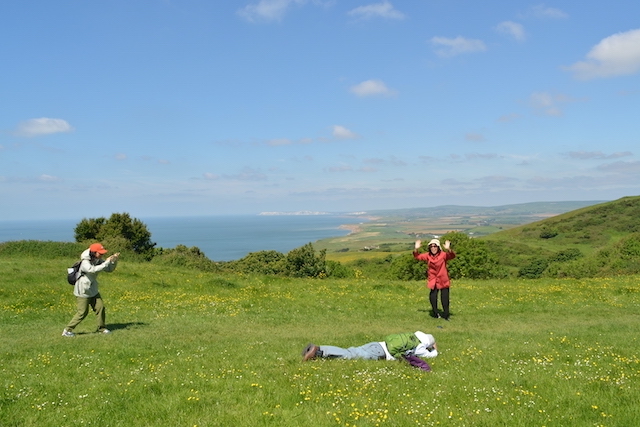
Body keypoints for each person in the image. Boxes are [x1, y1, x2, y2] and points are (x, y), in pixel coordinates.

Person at [62, 243, 119, 337]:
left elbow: (109, 269)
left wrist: (113, 261)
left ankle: (102, 328)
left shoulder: (98, 259)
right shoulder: (85, 262)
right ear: (93, 252)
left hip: (92, 289)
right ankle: (67, 330)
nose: (102, 255)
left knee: (100, 308)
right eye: (100, 253)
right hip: (83, 290)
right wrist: (106, 262)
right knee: (82, 312)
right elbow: (92, 270)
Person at [301, 331, 438, 370]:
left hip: (376, 345)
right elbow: (432, 356)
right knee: (350, 355)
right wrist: (434, 348)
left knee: (351, 351)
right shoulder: (420, 347)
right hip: (380, 353)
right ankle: (319, 351)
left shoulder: (413, 335)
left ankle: (318, 354)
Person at [413, 238, 456, 320]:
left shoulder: (443, 255)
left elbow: (452, 256)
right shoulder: (427, 255)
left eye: (435, 246)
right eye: (431, 246)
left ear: (438, 247)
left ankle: (446, 315)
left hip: (443, 279)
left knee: (445, 298)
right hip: (433, 279)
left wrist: (448, 249)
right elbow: (417, 256)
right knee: (433, 296)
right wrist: (416, 248)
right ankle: (435, 313)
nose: (433, 248)